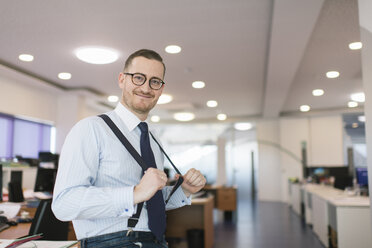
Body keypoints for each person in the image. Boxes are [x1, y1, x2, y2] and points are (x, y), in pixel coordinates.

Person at [52, 49, 206, 248]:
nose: (146, 87)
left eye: (155, 81)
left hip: (156, 241)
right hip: (111, 242)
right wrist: (133, 193)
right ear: (122, 80)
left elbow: (149, 203)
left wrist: (184, 191)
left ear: (161, 89)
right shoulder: (91, 129)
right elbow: (64, 204)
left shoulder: (152, 139)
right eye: (139, 78)